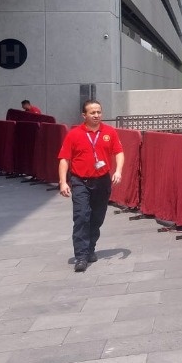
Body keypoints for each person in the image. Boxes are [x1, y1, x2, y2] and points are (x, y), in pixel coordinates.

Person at [57, 100, 124, 273]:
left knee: (97, 217)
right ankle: (81, 256)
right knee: (81, 217)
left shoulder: (109, 132)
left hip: (102, 180)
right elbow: (64, 159)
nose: (96, 115)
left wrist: (118, 171)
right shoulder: (74, 134)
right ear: (84, 115)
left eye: (99, 112)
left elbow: (119, 152)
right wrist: (63, 181)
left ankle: (90, 248)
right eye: (92, 113)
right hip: (80, 181)